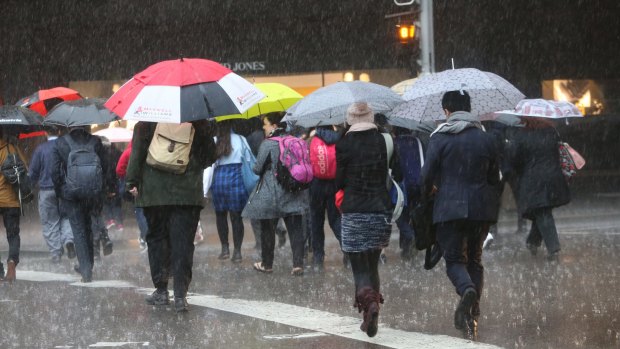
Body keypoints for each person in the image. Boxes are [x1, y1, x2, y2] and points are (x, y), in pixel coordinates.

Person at [420, 90, 500, 340]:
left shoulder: (440, 138)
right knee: (475, 260)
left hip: (449, 208)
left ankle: (466, 291)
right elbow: (493, 176)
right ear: (469, 108)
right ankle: (473, 313)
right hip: (481, 209)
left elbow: (425, 177)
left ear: (446, 111)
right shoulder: (486, 138)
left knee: (455, 260)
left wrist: (429, 193)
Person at [125, 120, 215, 313]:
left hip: (154, 194)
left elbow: (137, 155)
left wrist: (131, 181)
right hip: (187, 194)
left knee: (157, 240)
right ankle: (181, 295)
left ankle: (161, 290)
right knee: (183, 243)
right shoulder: (200, 124)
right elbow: (210, 158)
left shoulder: (145, 124)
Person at [335, 102, 401, 337]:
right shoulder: (385, 140)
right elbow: (398, 172)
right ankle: (370, 314)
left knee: (358, 267)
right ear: (371, 118)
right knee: (372, 264)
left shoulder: (343, 144)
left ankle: (370, 305)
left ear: (350, 120)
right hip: (380, 210)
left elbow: (339, 182)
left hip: (354, 212)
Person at [242, 112, 308, 276]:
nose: (264, 127)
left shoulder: (268, 143)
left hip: (271, 193)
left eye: (265, 123)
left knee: (267, 228)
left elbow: (257, 169)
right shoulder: (295, 141)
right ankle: (298, 264)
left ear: (274, 125)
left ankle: (267, 264)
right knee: (295, 228)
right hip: (292, 190)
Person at [505, 116, 570, 261]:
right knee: (542, 209)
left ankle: (553, 249)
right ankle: (532, 242)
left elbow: (514, 159)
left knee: (542, 212)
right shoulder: (551, 131)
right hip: (553, 176)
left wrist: (509, 147)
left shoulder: (521, 135)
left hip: (533, 179)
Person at [51, 126, 110, 283]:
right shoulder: (96, 142)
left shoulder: (61, 143)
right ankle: (88, 264)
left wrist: (61, 191)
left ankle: (85, 269)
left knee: (78, 230)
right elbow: (105, 167)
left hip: (71, 194)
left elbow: (55, 172)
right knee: (88, 226)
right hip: (92, 192)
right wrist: (101, 190)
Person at [28, 126, 75, 263]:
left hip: (46, 190)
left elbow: (33, 173)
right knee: (66, 217)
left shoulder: (40, 149)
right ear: (59, 131)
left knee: (50, 222)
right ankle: (69, 240)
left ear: (45, 132)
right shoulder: (66, 147)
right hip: (65, 190)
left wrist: (28, 187)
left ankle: (56, 254)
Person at [211, 120, 250, 263]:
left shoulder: (215, 140)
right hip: (237, 179)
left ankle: (225, 249)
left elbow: (210, 164)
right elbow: (248, 158)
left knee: (220, 215)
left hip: (220, 179)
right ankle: (237, 252)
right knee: (236, 217)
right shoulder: (241, 139)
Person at [308, 125, 343, 272]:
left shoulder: (313, 140)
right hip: (334, 184)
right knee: (335, 220)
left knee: (316, 221)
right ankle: (348, 249)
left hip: (316, 185)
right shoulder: (339, 138)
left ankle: (318, 257)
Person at [0, 129, 28, 283]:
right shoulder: (11, 148)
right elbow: (25, 169)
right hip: (11, 199)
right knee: (13, 234)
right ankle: (11, 265)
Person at [116, 140, 148, 249]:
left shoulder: (129, 152)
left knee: (140, 211)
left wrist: (128, 178)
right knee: (148, 211)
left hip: (135, 186)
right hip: (148, 185)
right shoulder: (148, 151)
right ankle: (148, 236)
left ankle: (145, 237)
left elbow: (119, 170)